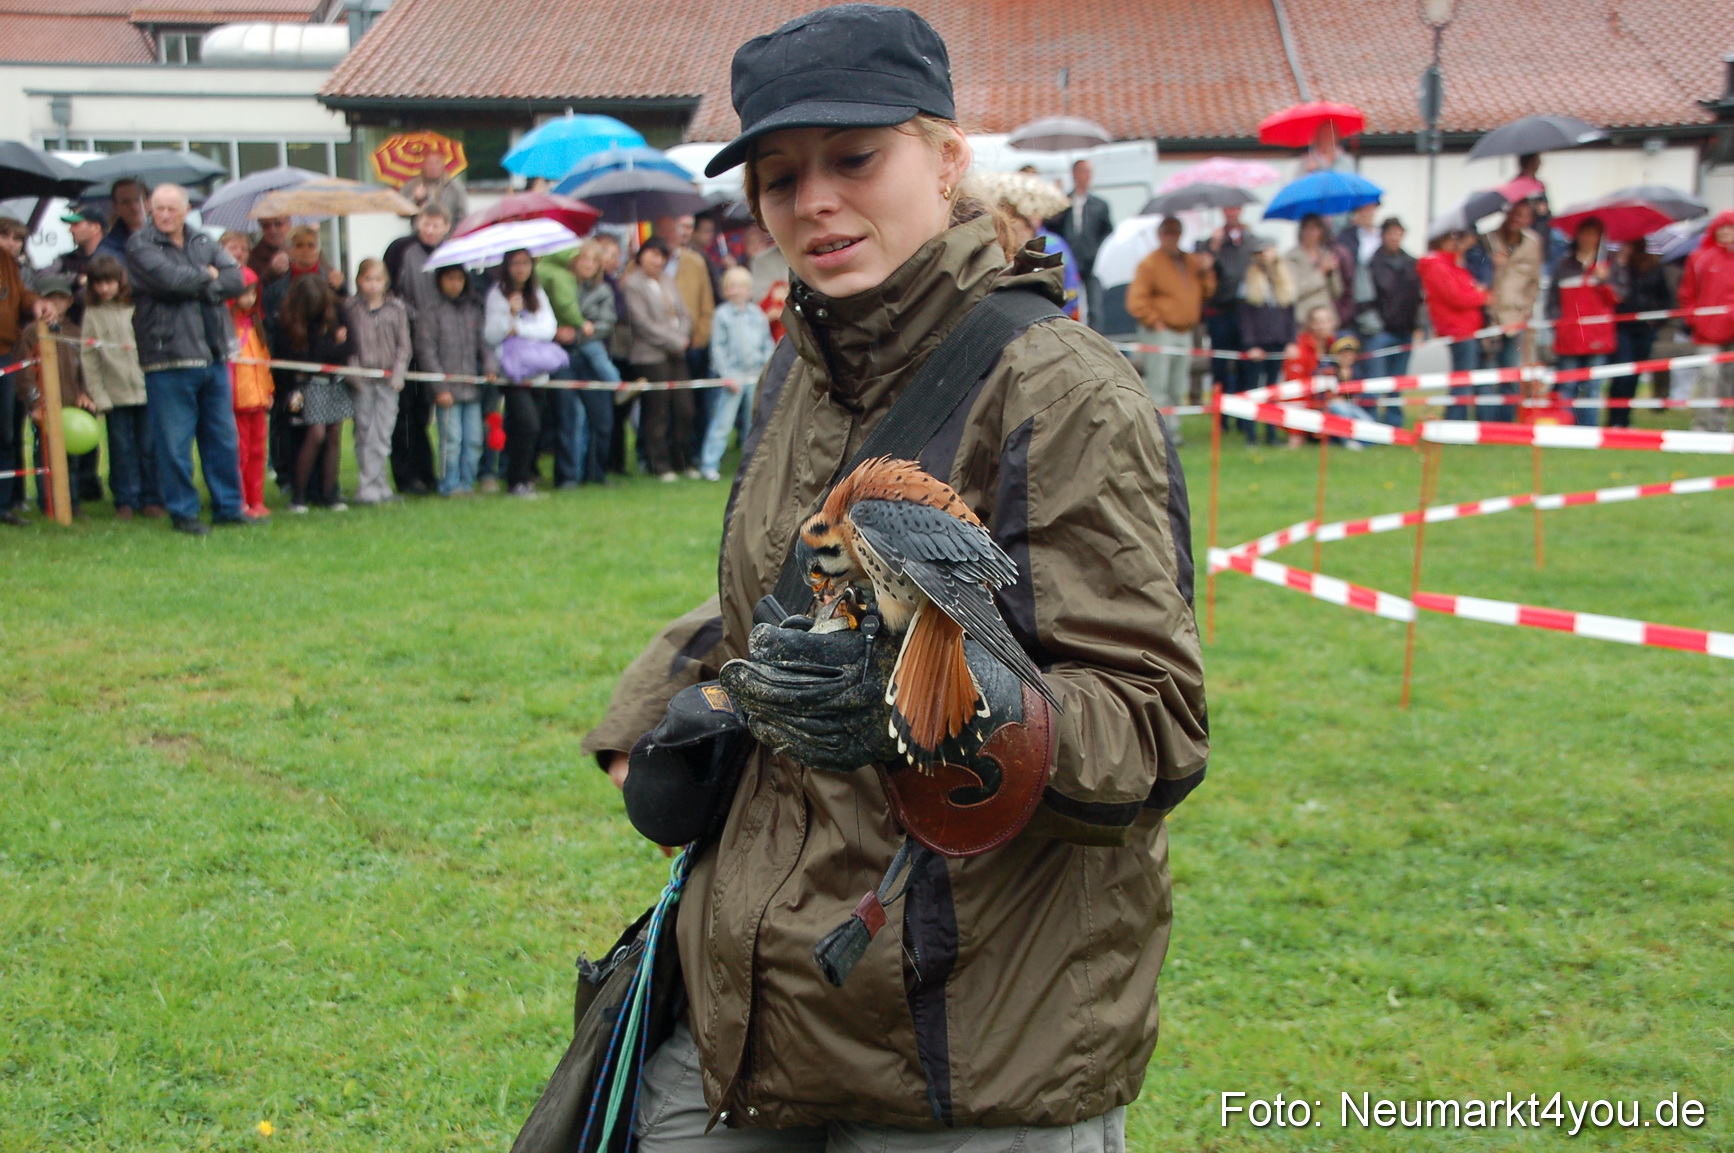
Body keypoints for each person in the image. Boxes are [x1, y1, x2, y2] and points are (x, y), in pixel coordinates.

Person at [584, 7, 1205, 1147]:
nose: (814, 198)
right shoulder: (797, 370)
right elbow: (765, 596)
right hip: (759, 1009)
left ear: (948, 156)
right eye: (779, 175)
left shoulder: (1062, 391)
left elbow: (1152, 730)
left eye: (855, 157)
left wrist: (923, 702)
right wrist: (651, 713)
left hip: (969, 1039)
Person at [126, 183, 249, 535]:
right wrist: (208, 275)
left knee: (223, 438)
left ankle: (228, 507)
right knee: (175, 443)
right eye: (158, 208)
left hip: (212, 351)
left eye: (171, 209)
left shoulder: (202, 240)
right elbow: (169, 281)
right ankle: (184, 512)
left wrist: (205, 279)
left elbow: (236, 279)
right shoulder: (140, 244)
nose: (163, 215)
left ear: (185, 210)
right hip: (169, 355)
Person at [81, 256, 162, 520]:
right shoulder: (92, 315)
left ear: (120, 281)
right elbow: (89, 359)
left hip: (145, 389)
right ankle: (125, 499)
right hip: (114, 395)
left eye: (109, 282)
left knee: (149, 447)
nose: (104, 289)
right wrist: (100, 395)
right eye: (98, 284)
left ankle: (151, 497)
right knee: (121, 449)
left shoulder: (135, 307)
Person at [1125, 216, 1214, 443]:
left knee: (1178, 383)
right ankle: (1157, 431)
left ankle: (1173, 431)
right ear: (1160, 235)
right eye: (1167, 232)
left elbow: (1207, 292)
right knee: (1159, 383)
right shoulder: (1150, 264)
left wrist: (1206, 271)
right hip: (1160, 331)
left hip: (1185, 331)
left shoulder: (1191, 262)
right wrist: (1154, 320)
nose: (1171, 237)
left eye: (1175, 232)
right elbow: (1136, 301)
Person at [384, 205, 452, 494]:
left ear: (446, 226)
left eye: (437, 224)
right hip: (406, 340)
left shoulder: (451, 252)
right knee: (405, 413)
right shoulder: (401, 249)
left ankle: (427, 472)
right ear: (417, 222)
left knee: (424, 413)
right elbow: (389, 290)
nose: (430, 229)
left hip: (437, 343)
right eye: (426, 223)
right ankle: (406, 476)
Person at [275, 275, 353, 513]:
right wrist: (332, 346)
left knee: (333, 434)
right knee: (315, 433)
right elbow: (305, 357)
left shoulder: (337, 310)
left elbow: (349, 347)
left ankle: (330, 493)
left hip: (333, 383)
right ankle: (298, 495)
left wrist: (329, 348)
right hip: (303, 387)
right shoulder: (288, 321)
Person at [484, 248, 558, 498]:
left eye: (525, 263)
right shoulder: (497, 295)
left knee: (525, 427)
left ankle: (521, 478)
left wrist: (521, 328)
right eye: (515, 263)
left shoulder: (537, 293)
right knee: (528, 424)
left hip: (537, 371)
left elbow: (548, 329)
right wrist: (510, 315)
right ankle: (517, 480)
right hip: (511, 373)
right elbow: (492, 335)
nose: (520, 269)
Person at [417, 264, 494, 496]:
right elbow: (426, 352)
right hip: (447, 390)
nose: (455, 284)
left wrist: (490, 366)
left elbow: (484, 344)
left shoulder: (473, 309)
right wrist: (439, 387)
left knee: (474, 440)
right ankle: (449, 485)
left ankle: (467, 483)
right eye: (450, 278)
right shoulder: (431, 311)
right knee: (451, 441)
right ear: (440, 280)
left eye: (459, 279)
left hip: (471, 388)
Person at [22, 276, 97, 513]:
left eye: (61, 298)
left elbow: (86, 367)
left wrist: (85, 393)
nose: (56, 303)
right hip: (44, 407)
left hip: (72, 407)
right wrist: (34, 403)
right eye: (50, 298)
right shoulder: (32, 333)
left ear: (70, 301)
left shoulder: (75, 331)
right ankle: (49, 502)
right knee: (44, 456)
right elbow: (24, 371)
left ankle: (72, 503)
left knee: (71, 458)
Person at [622, 237, 694, 482]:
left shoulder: (667, 280)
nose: (657, 260)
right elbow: (642, 324)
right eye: (652, 254)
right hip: (651, 355)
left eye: (661, 255)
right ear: (641, 256)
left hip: (677, 352)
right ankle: (658, 464)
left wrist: (682, 336)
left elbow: (684, 314)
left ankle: (682, 459)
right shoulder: (633, 284)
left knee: (684, 408)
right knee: (657, 411)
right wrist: (673, 340)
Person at [1, 217, 55, 526]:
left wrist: (37, 303)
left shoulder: (10, 265)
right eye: (5, 237)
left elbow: (20, 295)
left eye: (17, 239)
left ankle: (4, 504)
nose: (11, 244)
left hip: (5, 354)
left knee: (7, 432)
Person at [344, 258, 412, 505]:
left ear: (385, 282)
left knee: (382, 433)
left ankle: (378, 485)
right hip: (361, 379)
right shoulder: (350, 309)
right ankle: (368, 486)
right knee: (364, 431)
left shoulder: (397, 309)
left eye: (377, 279)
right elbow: (347, 346)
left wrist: (398, 374)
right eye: (367, 279)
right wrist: (354, 375)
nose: (372, 284)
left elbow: (404, 346)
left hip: (387, 380)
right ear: (359, 281)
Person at [698, 265, 775, 481]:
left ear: (749, 290)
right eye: (731, 286)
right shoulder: (722, 315)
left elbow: (766, 343)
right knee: (722, 423)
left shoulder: (757, 314)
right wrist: (727, 376)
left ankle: (752, 466)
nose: (736, 291)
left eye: (740, 286)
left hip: (754, 374)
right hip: (732, 377)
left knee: (755, 422)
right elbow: (718, 349)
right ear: (725, 290)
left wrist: (765, 369)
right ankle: (709, 464)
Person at [1546, 218, 1617, 427]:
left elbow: (1619, 297)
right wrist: (1556, 325)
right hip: (1569, 335)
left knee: (1593, 386)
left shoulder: (1610, 265)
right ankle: (1566, 426)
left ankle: (1589, 428)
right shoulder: (1564, 266)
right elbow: (1552, 301)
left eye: (1593, 234)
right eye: (1584, 233)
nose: (1588, 238)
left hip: (1598, 335)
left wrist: (1604, 281)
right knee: (1568, 385)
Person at [537, 244, 598, 489]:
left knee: (571, 417)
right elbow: (566, 308)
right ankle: (567, 475)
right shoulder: (559, 276)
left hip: (563, 351)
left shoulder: (545, 272)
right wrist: (580, 325)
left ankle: (572, 474)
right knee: (568, 416)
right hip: (558, 352)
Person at [1419, 228, 1490, 421]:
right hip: (1457, 329)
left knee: (1465, 377)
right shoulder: (1438, 266)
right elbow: (1457, 297)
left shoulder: (1451, 264)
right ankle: (1455, 420)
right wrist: (1483, 297)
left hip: (1467, 328)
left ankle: (1459, 418)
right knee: (1462, 378)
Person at [1358, 217, 1421, 426]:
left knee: (1398, 380)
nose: (1394, 237)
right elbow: (1364, 298)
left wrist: (1420, 326)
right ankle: (1371, 421)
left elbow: (1420, 298)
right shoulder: (1371, 264)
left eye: (1398, 233)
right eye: (1390, 233)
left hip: (1405, 329)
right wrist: (1375, 327)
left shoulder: (1412, 263)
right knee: (1375, 380)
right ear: (1383, 235)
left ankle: (1394, 422)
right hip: (1380, 332)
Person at [569, 240, 621, 484]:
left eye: (593, 261)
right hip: (571, 357)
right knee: (575, 422)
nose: (588, 265)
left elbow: (607, 323)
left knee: (602, 422)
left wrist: (582, 331)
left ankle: (597, 473)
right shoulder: (565, 287)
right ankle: (574, 475)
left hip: (593, 348)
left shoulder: (604, 291)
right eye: (584, 260)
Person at [1677, 209, 1734, 433]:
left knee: (1728, 379)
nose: (1726, 232)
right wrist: (1694, 318)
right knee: (1709, 376)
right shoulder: (1699, 257)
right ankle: (1702, 425)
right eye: (1722, 227)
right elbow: (1687, 293)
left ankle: (1719, 425)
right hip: (1706, 331)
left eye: (1730, 227)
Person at [1235, 239, 1296, 446]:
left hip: (1278, 343)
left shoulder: (1283, 280)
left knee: (1274, 390)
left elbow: (1290, 315)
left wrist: (1290, 341)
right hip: (1258, 344)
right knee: (1254, 389)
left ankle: (1271, 434)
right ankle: (1251, 434)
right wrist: (1250, 345)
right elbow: (1245, 318)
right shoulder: (1249, 281)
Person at [1607, 242, 1674, 428]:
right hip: (1621, 327)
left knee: (1635, 376)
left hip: (1644, 329)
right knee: (1622, 375)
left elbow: (1665, 298)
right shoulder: (1616, 268)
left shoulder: (1653, 268)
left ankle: (1624, 420)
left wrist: (1656, 321)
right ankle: (1614, 420)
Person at [227, 268, 274, 519]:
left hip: (258, 401)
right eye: (246, 294)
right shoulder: (228, 328)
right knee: (240, 454)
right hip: (237, 402)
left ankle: (256, 499)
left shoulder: (255, 326)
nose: (251, 299)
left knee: (258, 453)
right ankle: (241, 500)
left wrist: (268, 390)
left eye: (254, 294)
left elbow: (263, 362)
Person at [1045, 158, 1113, 329]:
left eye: (1089, 173)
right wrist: (1056, 200)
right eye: (1084, 172)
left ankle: (1097, 340)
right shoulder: (1064, 202)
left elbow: (1107, 232)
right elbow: (1051, 225)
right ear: (1075, 174)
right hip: (1068, 261)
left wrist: (1097, 251)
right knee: (1066, 302)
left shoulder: (1099, 205)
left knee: (1095, 308)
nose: (1087, 176)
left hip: (1091, 263)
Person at [1198, 203, 1255, 398]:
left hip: (1246, 311)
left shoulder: (1250, 240)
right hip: (1220, 310)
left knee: (1245, 364)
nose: (1231, 212)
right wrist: (1214, 247)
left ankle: (1243, 416)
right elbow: (1204, 273)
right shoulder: (1209, 243)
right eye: (1228, 208)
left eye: (1235, 208)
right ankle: (1219, 416)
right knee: (1220, 364)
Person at [1483, 200, 1543, 381]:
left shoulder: (1533, 244)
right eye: (1515, 214)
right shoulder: (1488, 239)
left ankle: (1509, 410)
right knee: (1488, 375)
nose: (1517, 219)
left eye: (1523, 216)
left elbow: (1534, 281)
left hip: (1516, 318)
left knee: (1512, 374)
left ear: (1530, 220)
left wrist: (1527, 310)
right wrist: (1492, 265)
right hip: (1489, 317)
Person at [50, 204, 108, 323]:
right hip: (70, 327)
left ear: (95, 227)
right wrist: (77, 278)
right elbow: (42, 278)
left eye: (76, 224)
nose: (70, 229)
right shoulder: (67, 258)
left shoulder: (113, 258)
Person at [1284, 213, 1342, 331]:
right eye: (1307, 228)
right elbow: (1294, 291)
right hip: (1304, 320)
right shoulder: (1291, 257)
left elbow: (1337, 292)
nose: (1311, 233)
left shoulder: (1326, 254)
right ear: (1301, 231)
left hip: (1327, 319)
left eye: (1315, 228)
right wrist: (1320, 272)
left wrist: (1331, 273)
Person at [1332, 202, 1381, 327]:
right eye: (1363, 210)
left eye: (1370, 209)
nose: (1367, 214)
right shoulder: (1347, 236)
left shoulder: (1381, 235)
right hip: (1356, 296)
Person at [400, 153, 469, 225]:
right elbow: (402, 214)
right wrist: (416, 200)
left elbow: (462, 215)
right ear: (423, 165)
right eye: (429, 163)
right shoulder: (412, 185)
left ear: (443, 165)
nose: (433, 167)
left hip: (449, 233)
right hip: (419, 233)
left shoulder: (454, 187)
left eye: (437, 163)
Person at [287, 226, 346, 295]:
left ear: (318, 250)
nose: (306, 250)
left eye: (311, 245)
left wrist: (341, 288)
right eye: (299, 245)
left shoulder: (332, 281)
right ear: (290, 251)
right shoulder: (279, 287)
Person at [98, 179, 147, 261]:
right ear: (116, 207)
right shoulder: (108, 249)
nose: (134, 207)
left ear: (147, 202)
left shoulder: (167, 235)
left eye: (138, 200)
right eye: (126, 202)